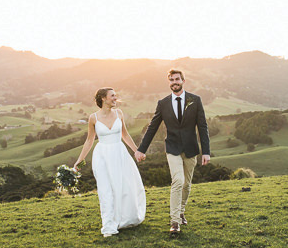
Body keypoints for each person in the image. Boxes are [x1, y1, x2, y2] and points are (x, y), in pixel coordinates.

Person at [135, 69, 210, 234]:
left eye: (177, 79)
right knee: (177, 181)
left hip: (191, 149)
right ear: (169, 82)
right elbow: (153, 127)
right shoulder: (163, 103)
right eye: (171, 80)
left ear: (183, 81)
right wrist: (141, 149)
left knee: (187, 184)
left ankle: (181, 211)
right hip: (173, 148)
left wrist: (206, 151)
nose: (174, 82)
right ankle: (175, 221)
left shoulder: (195, 100)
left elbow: (202, 126)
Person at [73, 87, 146, 237]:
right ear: (103, 98)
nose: (115, 98)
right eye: (112, 96)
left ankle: (125, 218)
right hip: (102, 156)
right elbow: (89, 141)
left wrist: (136, 151)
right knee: (106, 190)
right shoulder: (93, 118)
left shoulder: (119, 113)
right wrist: (79, 162)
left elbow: (125, 135)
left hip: (119, 154)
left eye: (115, 96)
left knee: (125, 186)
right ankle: (109, 224)